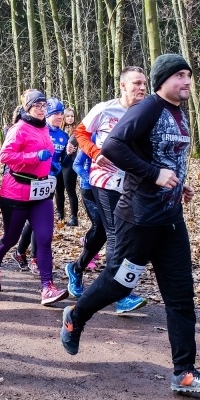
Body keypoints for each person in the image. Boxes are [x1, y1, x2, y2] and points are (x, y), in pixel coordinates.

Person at [60, 53, 200, 393]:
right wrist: (153, 175)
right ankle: (76, 317)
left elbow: (167, 157)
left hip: (170, 219)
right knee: (120, 284)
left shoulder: (179, 113)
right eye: (180, 75)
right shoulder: (147, 108)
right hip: (139, 217)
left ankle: (184, 372)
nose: (187, 81)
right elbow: (114, 145)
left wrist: (178, 181)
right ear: (163, 80)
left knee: (180, 296)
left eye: (189, 75)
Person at [64, 66, 148, 314]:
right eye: (136, 83)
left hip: (134, 183)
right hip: (105, 181)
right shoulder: (105, 109)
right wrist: (95, 153)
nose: (142, 88)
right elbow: (80, 132)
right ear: (123, 86)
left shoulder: (148, 112)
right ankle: (121, 295)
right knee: (116, 235)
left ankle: (76, 269)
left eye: (144, 83)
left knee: (102, 232)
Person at [0, 90, 69, 306]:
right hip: (17, 191)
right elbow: (5, 156)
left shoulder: (45, 129)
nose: (42, 109)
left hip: (40, 192)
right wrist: (34, 158)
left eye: (44, 105)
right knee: (11, 239)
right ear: (27, 107)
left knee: (44, 238)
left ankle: (47, 287)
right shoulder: (19, 128)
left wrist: (50, 166)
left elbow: (47, 152)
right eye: (37, 105)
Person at [12, 97, 68, 272]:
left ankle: (24, 253)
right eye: (56, 113)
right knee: (34, 220)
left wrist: (61, 163)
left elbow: (63, 160)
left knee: (38, 221)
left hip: (49, 182)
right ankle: (29, 256)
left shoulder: (64, 136)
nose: (59, 117)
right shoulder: (40, 130)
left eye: (61, 113)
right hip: (31, 180)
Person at [67, 137, 105, 297]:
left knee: (113, 232)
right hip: (89, 189)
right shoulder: (93, 137)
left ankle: (121, 287)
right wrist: (90, 178)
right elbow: (77, 164)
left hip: (111, 189)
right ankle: (77, 268)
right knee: (100, 228)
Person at [59, 107, 79, 226]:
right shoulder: (59, 130)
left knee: (70, 190)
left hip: (70, 162)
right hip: (58, 162)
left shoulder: (76, 130)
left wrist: (69, 146)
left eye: (72, 116)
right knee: (59, 190)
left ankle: (74, 217)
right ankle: (61, 215)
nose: (70, 118)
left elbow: (71, 142)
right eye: (68, 116)